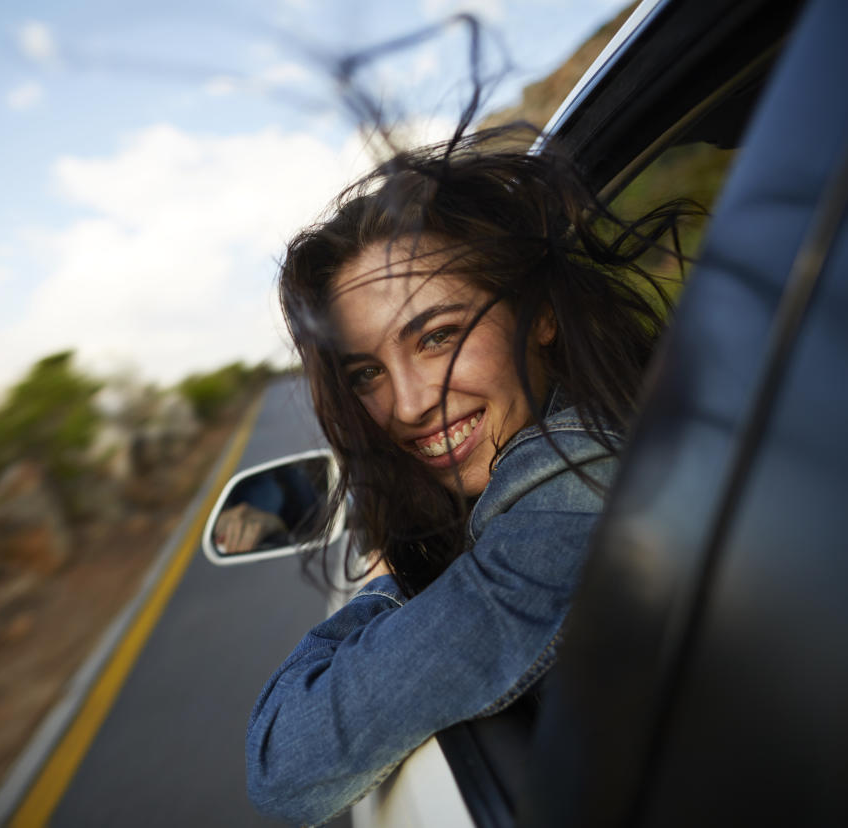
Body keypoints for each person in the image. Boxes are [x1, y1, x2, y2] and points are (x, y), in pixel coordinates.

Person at [245, 132, 689, 826]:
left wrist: (384, 589)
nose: (408, 402)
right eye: (367, 373)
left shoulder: (570, 498)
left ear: (540, 313)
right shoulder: (626, 433)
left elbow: (283, 763)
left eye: (437, 336)